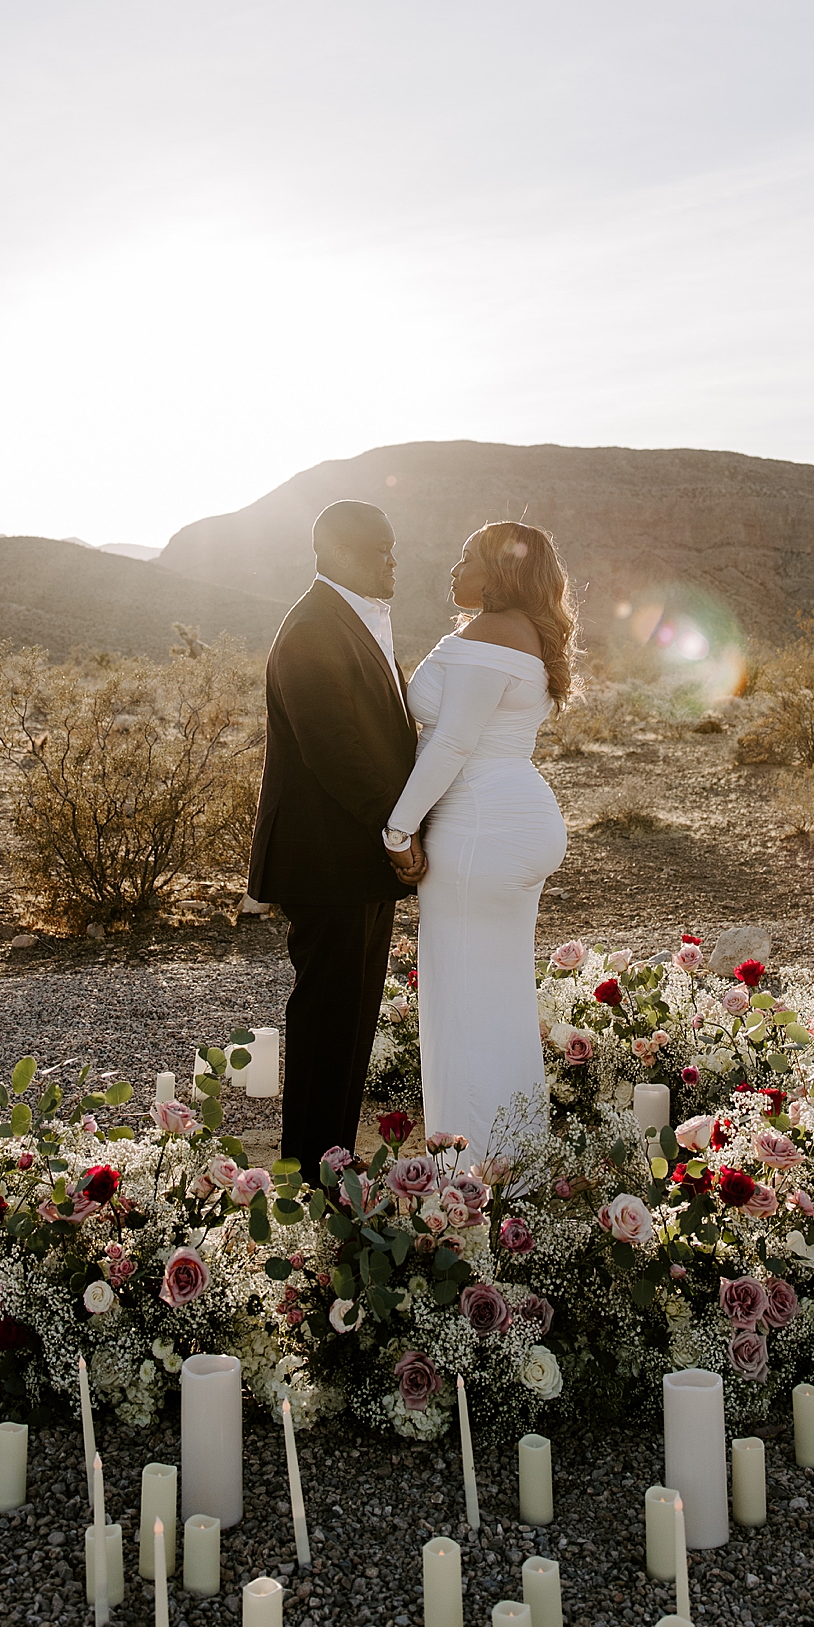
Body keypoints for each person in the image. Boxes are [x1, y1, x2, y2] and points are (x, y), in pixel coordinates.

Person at [384, 521, 576, 1155]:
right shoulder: (522, 632)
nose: (453, 568)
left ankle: (466, 1180)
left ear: (502, 573)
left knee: (460, 1001)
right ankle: (515, 1164)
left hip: (479, 833)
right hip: (512, 821)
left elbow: (454, 743)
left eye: (466, 558)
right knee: (498, 996)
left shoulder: (493, 633)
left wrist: (399, 828)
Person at [248, 499, 423, 1182]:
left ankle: (332, 1165)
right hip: (329, 861)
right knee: (327, 1022)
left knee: (352, 1022)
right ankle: (310, 1177)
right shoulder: (314, 627)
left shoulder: (349, 619)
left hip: (355, 861)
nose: (393, 559)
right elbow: (335, 750)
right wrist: (399, 830)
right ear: (342, 551)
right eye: (382, 547)